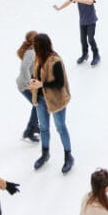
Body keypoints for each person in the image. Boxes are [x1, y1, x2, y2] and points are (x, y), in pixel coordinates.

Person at [27, 32, 74, 174]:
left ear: (42, 46)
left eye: (36, 46)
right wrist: (33, 82)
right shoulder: (37, 58)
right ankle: (45, 153)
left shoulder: (55, 61)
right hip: (41, 99)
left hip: (56, 100)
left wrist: (41, 84)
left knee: (60, 127)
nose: (34, 48)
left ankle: (68, 156)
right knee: (44, 128)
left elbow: (59, 83)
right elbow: (35, 75)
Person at [54, 0, 101, 66]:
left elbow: (90, 2)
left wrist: (78, 0)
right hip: (82, 22)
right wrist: (59, 8)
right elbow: (69, 1)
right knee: (83, 39)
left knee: (90, 39)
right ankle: (85, 54)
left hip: (91, 21)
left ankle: (96, 55)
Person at [15, 31, 40, 143]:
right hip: (25, 85)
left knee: (38, 104)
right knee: (38, 104)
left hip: (28, 84)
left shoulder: (36, 51)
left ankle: (33, 127)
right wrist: (29, 83)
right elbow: (24, 68)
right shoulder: (31, 52)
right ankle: (29, 131)